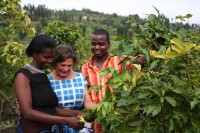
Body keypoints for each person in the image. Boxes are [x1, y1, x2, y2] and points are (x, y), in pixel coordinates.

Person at [14, 34, 84, 133]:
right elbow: (27, 113)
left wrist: (75, 113)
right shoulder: (23, 75)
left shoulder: (42, 75)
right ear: (34, 54)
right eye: (46, 57)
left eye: (52, 57)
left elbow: (50, 109)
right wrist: (65, 120)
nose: (50, 61)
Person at [81, 29, 146, 132]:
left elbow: (141, 59)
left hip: (117, 121)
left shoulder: (119, 61)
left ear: (108, 45)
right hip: (95, 124)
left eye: (101, 44)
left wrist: (139, 61)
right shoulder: (85, 68)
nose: (97, 47)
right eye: (93, 44)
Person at [47, 44, 95, 133]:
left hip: (80, 126)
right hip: (57, 126)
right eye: (62, 65)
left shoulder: (80, 77)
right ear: (54, 63)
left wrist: (100, 110)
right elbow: (48, 109)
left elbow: (87, 102)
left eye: (69, 65)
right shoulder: (47, 80)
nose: (66, 69)